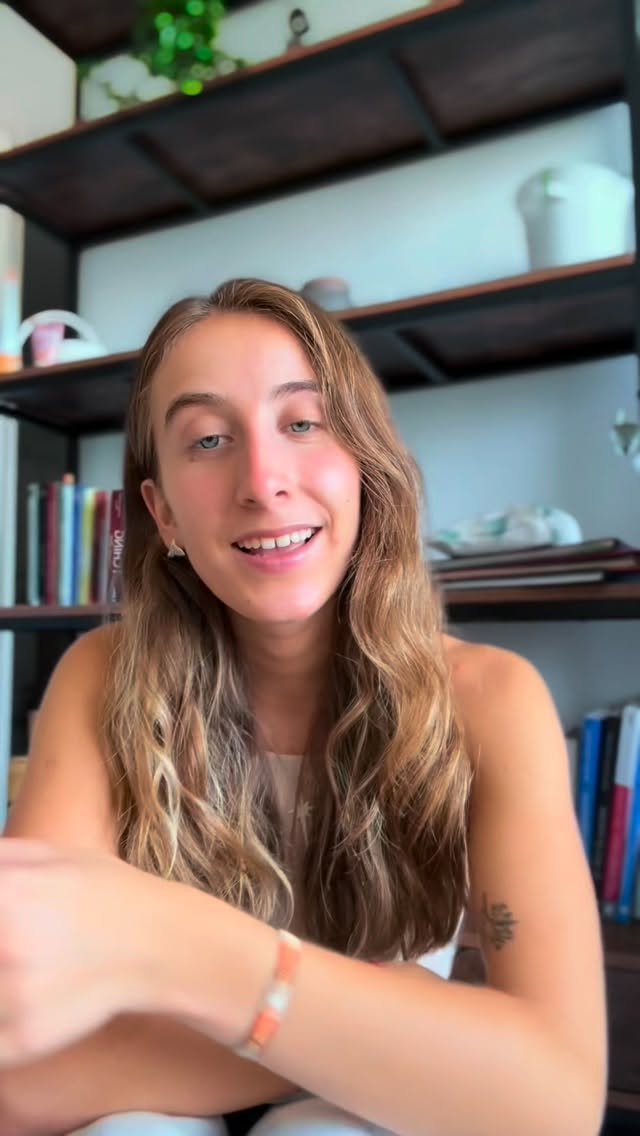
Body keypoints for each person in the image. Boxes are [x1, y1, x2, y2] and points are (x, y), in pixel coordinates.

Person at [0, 279, 606, 1136]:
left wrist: (178, 955)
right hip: (156, 1096)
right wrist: (384, 1020)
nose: (262, 481)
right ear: (162, 513)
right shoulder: (100, 678)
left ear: (364, 463)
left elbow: (555, 1101)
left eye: (303, 423)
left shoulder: (492, 699)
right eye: (208, 440)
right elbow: (17, 1073)